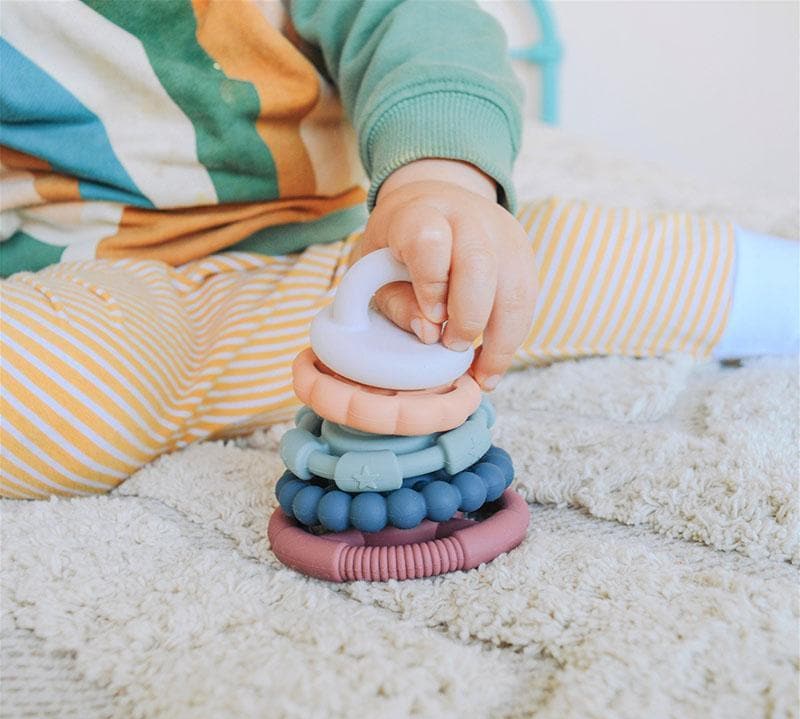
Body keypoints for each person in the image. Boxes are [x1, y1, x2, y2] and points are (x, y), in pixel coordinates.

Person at [1, 0, 796, 499]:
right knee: (36, 392)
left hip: (372, 248)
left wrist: (438, 183)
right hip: (89, 289)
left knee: (511, 270)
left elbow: (422, 23)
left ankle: (771, 287)